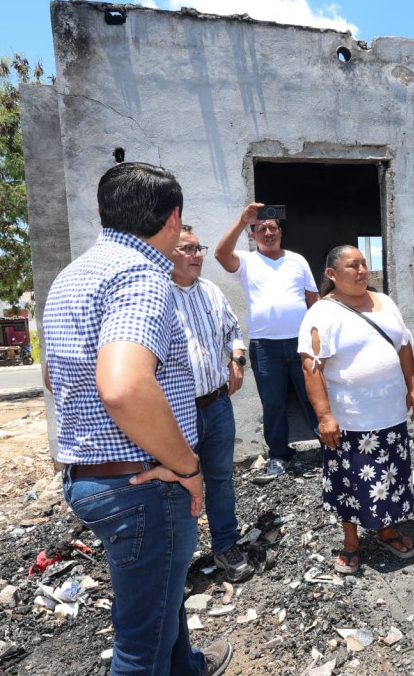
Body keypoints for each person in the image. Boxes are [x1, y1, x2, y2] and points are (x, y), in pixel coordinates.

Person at [44, 163, 231, 675]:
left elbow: (53, 377)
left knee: (161, 602)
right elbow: (125, 386)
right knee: (139, 646)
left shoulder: (73, 275)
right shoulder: (142, 277)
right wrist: (188, 466)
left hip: (95, 478)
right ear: (174, 218)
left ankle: (187, 667)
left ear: (103, 212)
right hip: (142, 485)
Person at [299, 245, 414, 574]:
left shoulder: (386, 303)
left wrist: (412, 387)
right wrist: (325, 417)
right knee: (349, 483)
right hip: (350, 420)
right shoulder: (323, 313)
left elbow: (404, 346)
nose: (362, 270)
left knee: (390, 476)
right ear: (332, 275)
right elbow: (312, 367)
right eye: (352, 266)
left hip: (390, 415)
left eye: (364, 264)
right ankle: (351, 542)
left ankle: (386, 529)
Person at [170, 224, 253, 583]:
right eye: (188, 249)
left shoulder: (212, 292)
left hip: (217, 405)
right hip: (177, 411)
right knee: (175, 485)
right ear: (168, 253)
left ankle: (224, 546)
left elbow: (233, 330)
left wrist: (236, 359)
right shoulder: (155, 295)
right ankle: (175, 561)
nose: (198, 255)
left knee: (220, 479)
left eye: (199, 247)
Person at [215, 204, 319, 483]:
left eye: (272, 227)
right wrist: (241, 220)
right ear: (253, 236)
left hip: (301, 344)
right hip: (264, 347)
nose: (268, 232)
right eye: (261, 229)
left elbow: (314, 302)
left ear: (280, 232)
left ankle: (328, 448)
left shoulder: (297, 260)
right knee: (273, 403)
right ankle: (279, 455)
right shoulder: (247, 261)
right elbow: (220, 255)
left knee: (314, 396)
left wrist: (318, 338)